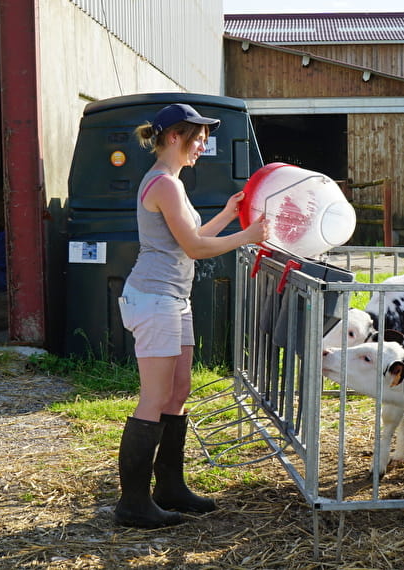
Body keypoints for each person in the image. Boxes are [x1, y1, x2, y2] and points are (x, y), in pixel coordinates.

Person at [114, 103, 268, 528]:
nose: (203, 144)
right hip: (154, 298)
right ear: (173, 137)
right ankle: (132, 504)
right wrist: (248, 235)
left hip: (173, 299)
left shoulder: (172, 184)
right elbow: (197, 249)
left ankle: (170, 488)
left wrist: (228, 214)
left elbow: (193, 236)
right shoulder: (163, 184)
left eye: (204, 136)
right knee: (155, 398)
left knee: (179, 392)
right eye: (197, 136)